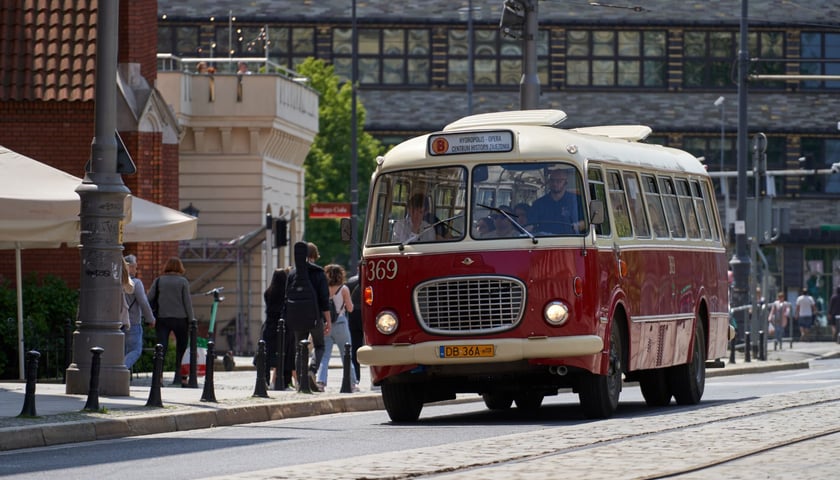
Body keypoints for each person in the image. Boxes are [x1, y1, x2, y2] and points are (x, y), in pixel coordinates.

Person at [287, 242, 331, 392]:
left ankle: (300, 381)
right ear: (314, 255)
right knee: (319, 345)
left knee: (299, 349)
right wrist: (328, 321)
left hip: (297, 317)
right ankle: (312, 370)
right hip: (315, 317)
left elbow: (286, 296)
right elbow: (325, 300)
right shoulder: (318, 273)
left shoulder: (293, 273)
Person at [148, 257, 195, 385]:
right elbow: (187, 302)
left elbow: (149, 298)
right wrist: (192, 320)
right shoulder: (183, 282)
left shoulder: (159, 281)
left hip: (162, 319)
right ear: (180, 267)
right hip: (181, 319)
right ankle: (179, 377)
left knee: (161, 348)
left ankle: (159, 377)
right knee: (182, 348)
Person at [317, 264, 358, 391]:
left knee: (325, 355)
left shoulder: (323, 288)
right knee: (346, 355)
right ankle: (352, 383)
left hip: (326, 324)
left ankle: (321, 382)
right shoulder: (344, 289)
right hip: (340, 323)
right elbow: (350, 308)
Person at [262, 268, 296, 388]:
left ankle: (263, 380)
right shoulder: (286, 294)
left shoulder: (268, 292)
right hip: (283, 327)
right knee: (285, 354)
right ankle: (283, 382)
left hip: (269, 326)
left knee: (265, 354)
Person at [529, 167, 585, 234]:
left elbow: (587, 223)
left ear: (566, 182)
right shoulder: (538, 204)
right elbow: (530, 225)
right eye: (552, 180)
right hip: (543, 241)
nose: (555, 184)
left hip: (571, 240)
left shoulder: (577, 201)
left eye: (559, 181)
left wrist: (577, 226)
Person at [123, 255, 156, 371]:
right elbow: (143, 302)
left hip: (116, 322)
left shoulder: (116, 282)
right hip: (132, 322)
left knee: (119, 352)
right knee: (135, 350)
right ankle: (121, 370)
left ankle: (118, 372)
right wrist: (151, 319)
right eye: (135, 267)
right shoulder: (136, 283)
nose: (136, 270)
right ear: (129, 267)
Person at [346, 274, 363, 382]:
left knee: (355, 348)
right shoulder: (371, 279)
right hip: (367, 314)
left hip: (353, 315)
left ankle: (356, 376)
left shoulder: (351, 281)